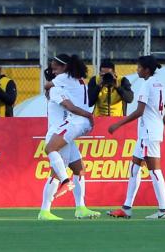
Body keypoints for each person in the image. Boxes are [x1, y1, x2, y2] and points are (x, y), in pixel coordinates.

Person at [106, 55, 165, 219]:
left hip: (148, 133)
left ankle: (163, 210)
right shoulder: (160, 85)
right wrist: (160, 126)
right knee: (134, 168)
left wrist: (118, 124)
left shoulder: (146, 85)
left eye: (139, 67)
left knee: (154, 170)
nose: (137, 70)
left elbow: (139, 111)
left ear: (146, 70)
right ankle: (126, 208)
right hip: (151, 132)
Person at [38, 66, 100, 220]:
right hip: (59, 133)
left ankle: (81, 208)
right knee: (56, 174)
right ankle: (44, 211)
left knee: (79, 169)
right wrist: (88, 116)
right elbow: (69, 106)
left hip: (65, 133)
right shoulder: (56, 90)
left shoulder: (62, 89)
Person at [43, 54, 94, 202]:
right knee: (79, 169)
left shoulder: (59, 84)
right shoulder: (77, 80)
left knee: (52, 155)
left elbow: (68, 106)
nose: (54, 73)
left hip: (71, 123)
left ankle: (65, 183)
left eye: (55, 69)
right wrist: (89, 116)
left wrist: (88, 115)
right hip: (76, 124)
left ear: (64, 67)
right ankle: (81, 208)